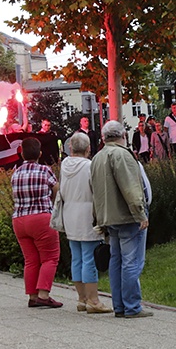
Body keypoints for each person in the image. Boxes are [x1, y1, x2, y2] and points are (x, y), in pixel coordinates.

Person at [90, 121, 152, 318]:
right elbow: (131, 188)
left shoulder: (97, 157)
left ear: (104, 137)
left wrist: (98, 218)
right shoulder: (122, 155)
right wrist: (140, 213)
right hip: (127, 216)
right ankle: (132, 306)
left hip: (109, 217)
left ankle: (119, 306)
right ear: (123, 134)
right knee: (131, 261)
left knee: (115, 261)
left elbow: (95, 191)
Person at [58, 132, 112, 314]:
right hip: (87, 214)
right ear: (89, 148)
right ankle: (93, 300)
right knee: (90, 258)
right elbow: (96, 190)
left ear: (71, 148)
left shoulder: (64, 165)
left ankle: (81, 298)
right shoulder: (90, 166)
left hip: (69, 214)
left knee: (77, 258)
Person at [11, 137, 62, 308]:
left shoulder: (16, 173)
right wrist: (52, 204)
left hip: (19, 219)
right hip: (41, 218)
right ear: (40, 153)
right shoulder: (44, 171)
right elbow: (57, 190)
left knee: (30, 260)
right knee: (50, 258)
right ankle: (43, 294)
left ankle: (32, 296)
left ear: (22, 153)